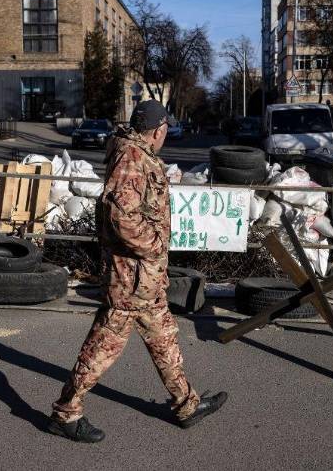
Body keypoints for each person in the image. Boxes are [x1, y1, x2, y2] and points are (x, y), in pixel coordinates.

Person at [48, 100, 227, 443]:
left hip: (145, 278)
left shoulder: (139, 155)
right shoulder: (131, 158)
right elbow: (121, 216)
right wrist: (154, 246)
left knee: (164, 336)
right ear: (158, 130)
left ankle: (187, 405)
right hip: (131, 278)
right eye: (165, 130)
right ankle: (65, 413)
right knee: (104, 346)